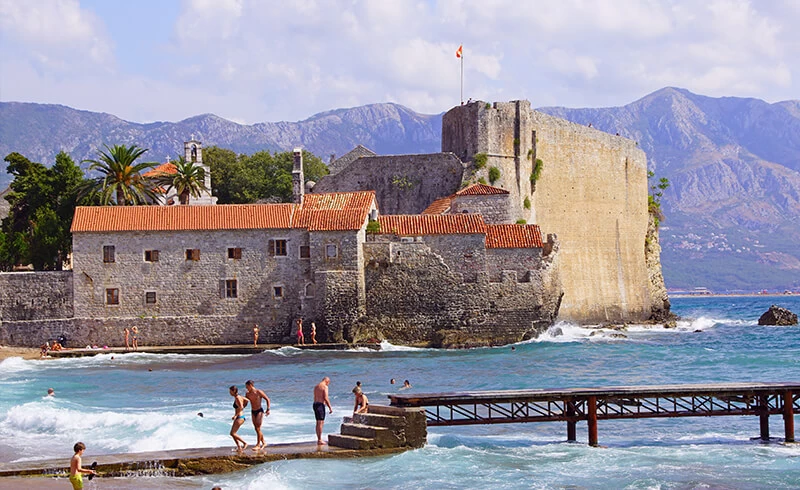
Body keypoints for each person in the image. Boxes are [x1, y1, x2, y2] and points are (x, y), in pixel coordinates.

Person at [245, 379, 271, 450]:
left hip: (259, 411)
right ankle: (264, 442)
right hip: (253, 411)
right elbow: (246, 403)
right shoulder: (247, 394)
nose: (246, 388)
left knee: (258, 428)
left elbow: (267, 399)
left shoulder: (258, 392)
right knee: (256, 428)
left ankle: (258, 445)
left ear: (251, 385)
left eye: (247, 386)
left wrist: (268, 409)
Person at [312, 377, 333, 445]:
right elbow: (325, 397)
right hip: (320, 405)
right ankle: (319, 440)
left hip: (315, 404)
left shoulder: (316, 386)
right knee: (320, 422)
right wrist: (330, 407)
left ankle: (319, 439)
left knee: (318, 422)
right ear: (327, 381)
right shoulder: (325, 387)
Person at [229, 385, 249, 451]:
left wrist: (236, 415)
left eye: (230, 391)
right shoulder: (238, 397)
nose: (229, 393)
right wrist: (244, 404)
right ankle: (239, 447)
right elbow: (247, 400)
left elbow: (241, 407)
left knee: (232, 433)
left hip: (240, 417)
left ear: (233, 391)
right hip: (239, 417)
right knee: (233, 433)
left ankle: (245, 443)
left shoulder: (238, 397)